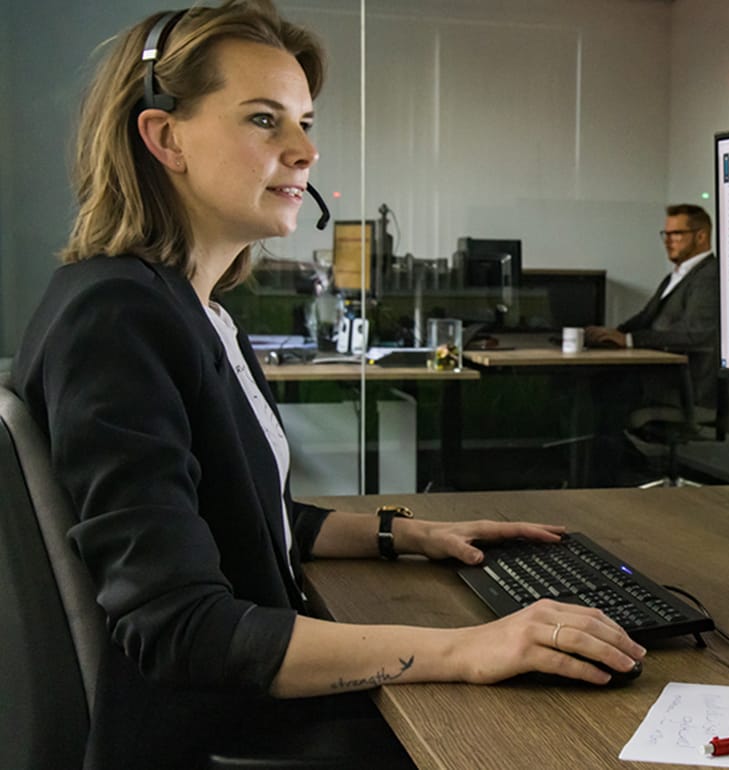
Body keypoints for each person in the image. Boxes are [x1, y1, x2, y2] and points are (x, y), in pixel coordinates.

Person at [11, 2, 644, 767]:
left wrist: (405, 534)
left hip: (251, 713)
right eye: (264, 120)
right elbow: (182, 631)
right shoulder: (117, 319)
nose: (306, 150)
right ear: (165, 137)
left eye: (306, 122)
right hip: (222, 737)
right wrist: (468, 648)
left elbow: (243, 514)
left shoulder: (189, 308)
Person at [585, 203, 719, 412]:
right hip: (657, 376)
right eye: (665, 234)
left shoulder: (709, 276)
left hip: (683, 387)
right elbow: (645, 317)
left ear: (701, 236)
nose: (667, 241)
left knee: (596, 385)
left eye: (676, 234)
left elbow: (695, 333)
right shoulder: (676, 276)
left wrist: (630, 340)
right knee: (587, 378)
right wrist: (611, 335)